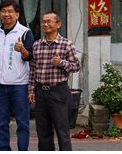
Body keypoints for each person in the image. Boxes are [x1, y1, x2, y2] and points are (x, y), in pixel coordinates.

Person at [28, 11, 81, 151]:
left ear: (58, 24)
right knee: (43, 132)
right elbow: (33, 70)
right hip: (40, 92)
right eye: (44, 21)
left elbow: (76, 66)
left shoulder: (66, 44)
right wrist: (31, 90)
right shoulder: (37, 45)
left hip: (59, 92)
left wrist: (62, 63)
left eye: (49, 21)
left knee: (62, 131)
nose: (45, 24)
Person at [0, 0, 34, 151]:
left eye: (10, 11)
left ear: (17, 14)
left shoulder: (25, 32)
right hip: (0, 84)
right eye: (4, 11)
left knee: (22, 123)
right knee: (1, 123)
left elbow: (30, 57)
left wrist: (21, 49)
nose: (6, 14)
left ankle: (22, 150)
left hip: (19, 85)